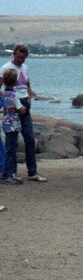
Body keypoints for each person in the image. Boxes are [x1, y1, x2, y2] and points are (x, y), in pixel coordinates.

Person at [0, 47, 41, 182]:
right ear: (14, 55)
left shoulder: (25, 68)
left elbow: (27, 84)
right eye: (18, 57)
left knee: (29, 139)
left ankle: (32, 172)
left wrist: (29, 97)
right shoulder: (6, 68)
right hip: (14, 105)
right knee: (12, 142)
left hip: (24, 102)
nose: (20, 60)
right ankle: (11, 172)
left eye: (23, 58)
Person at [1, 69, 22, 185]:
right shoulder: (14, 95)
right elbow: (20, 109)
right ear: (15, 81)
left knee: (9, 148)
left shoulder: (3, 94)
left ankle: (10, 173)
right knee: (11, 149)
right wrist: (24, 109)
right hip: (14, 124)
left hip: (6, 123)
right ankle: (7, 174)